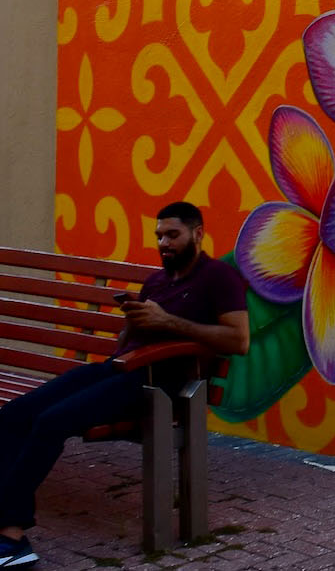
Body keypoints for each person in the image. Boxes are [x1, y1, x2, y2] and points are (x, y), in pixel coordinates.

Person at [0, 201, 248, 567]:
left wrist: (168, 322)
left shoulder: (218, 277)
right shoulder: (158, 280)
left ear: (198, 233)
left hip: (157, 384)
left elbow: (238, 340)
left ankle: (12, 539)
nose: (164, 243)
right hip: (119, 370)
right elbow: (126, 343)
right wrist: (134, 319)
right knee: (14, 415)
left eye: (173, 235)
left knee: (52, 422)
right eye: (160, 236)